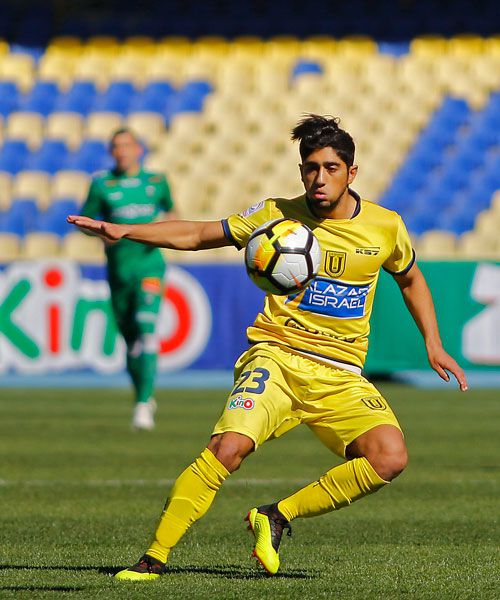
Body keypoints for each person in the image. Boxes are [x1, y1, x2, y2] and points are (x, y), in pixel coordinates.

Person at [68, 114, 468, 580]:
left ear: (351, 173)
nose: (319, 178)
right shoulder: (276, 214)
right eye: (310, 168)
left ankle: (275, 515)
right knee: (228, 448)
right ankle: (152, 558)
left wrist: (433, 344)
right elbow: (199, 235)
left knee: (389, 457)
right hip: (277, 356)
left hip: (340, 372)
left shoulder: (385, 226)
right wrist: (124, 230)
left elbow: (411, 278)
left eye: (331, 168)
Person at [80, 128, 177, 430]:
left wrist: (163, 230)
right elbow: (86, 222)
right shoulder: (101, 184)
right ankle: (142, 394)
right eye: (116, 147)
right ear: (111, 152)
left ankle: (143, 405)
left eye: (127, 146)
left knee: (147, 329)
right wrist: (99, 233)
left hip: (150, 267)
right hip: (119, 272)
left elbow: (173, 215)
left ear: (139, 149)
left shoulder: (156, 182)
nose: (122, 151)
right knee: (132, 341)